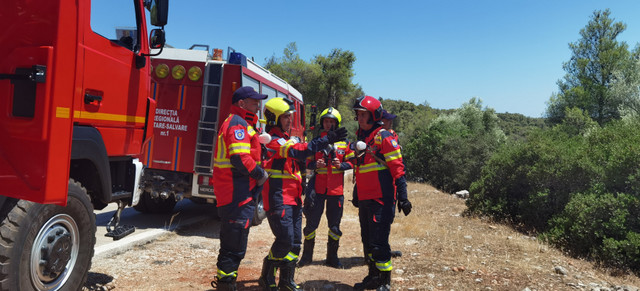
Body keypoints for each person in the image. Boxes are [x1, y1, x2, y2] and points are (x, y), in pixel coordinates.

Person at [258, 98, 348, 291]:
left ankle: (286, 281)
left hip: (294, 197)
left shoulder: (287, 138)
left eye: (290, 117)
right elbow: (300, 152)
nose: (289, 120)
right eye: (285, 117)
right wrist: (326, 139)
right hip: (279, 197)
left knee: (296, 243)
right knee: (285, 240)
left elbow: (302, 160)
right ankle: (267, 277)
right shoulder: (272, 140)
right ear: (274, 119)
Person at [348, 96, 412, 291]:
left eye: (363, 114)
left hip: (381, 199)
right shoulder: (361, 138)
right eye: (358, 114)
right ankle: (373, 276)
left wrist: (403, 196)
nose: (359, 117)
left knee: (379, 242)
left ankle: (385, 282)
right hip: (366, 198)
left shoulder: (383, 136)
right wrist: (357, 193)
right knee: (367, 241)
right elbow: (360, 169)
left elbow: (397, 168)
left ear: (374, 115)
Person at [210, 86, 269, 291]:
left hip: (237, 192)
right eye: (254, 102)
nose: (258, 105)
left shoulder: (241, 123)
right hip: (236, 193)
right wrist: (260, 174)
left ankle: (227, 283)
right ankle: (226, 285)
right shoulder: (238, 123)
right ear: (242, 104)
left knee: (234, 242)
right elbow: (239, 158)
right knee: (233, 245)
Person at [298, 107, 354, 268]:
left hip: (336, 191)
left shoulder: (345, 143)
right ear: (322, 123)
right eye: (326, 121)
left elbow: (352, 162)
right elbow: (307, 163)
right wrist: (315, 164)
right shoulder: (316, 142)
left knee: (334, 227)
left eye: (332, 121)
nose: (328, 124)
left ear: (337, 123)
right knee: (310, 225)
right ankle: (307, 257)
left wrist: (341, 165)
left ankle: (332, 258)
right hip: (317, 190)